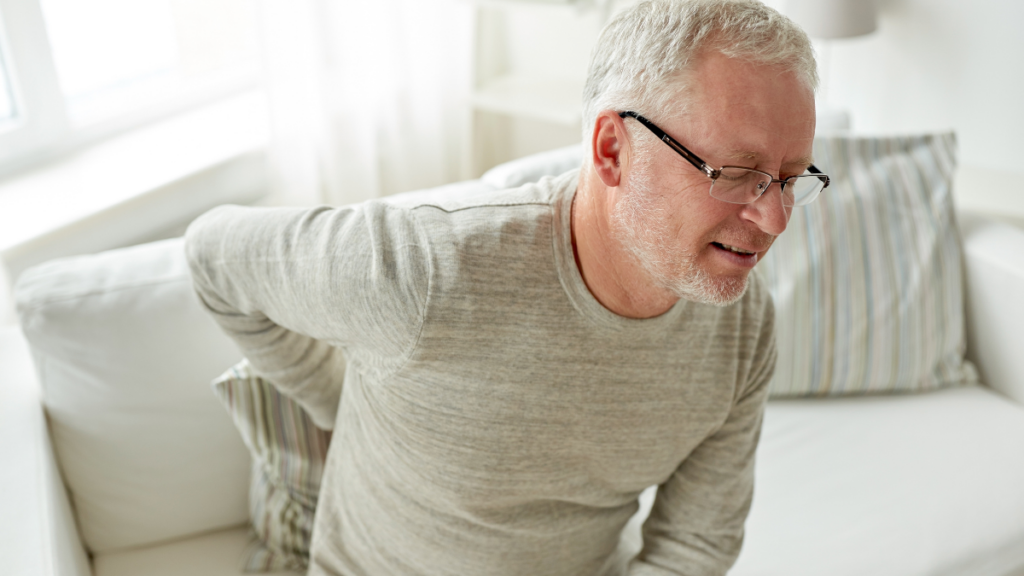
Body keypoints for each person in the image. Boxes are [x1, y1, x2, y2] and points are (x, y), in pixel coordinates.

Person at [185, 0, 825, 574]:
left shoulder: (743, 322)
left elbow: (694, 546)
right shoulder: (424, 270)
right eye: (737, 172)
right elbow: (213, 256)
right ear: (613, 151)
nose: (773, 220)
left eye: (790, 178)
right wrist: (348, 400)